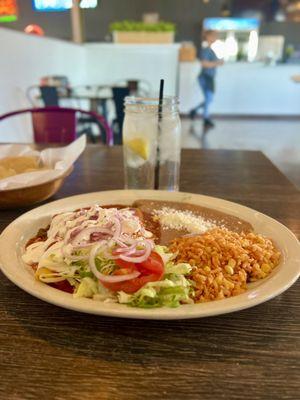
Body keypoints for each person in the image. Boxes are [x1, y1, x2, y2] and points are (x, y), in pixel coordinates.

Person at [190, 30, 223, 129]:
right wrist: (218, 63)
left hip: (209, 77)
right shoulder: (206, 50)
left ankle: (195, 111)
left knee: (209, 98)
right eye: (213, 36)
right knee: (209, 98)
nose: (215, 38)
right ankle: (205, 118)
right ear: (208, 37)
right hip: (205, 77)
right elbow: (204, 64)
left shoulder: (210, 49)